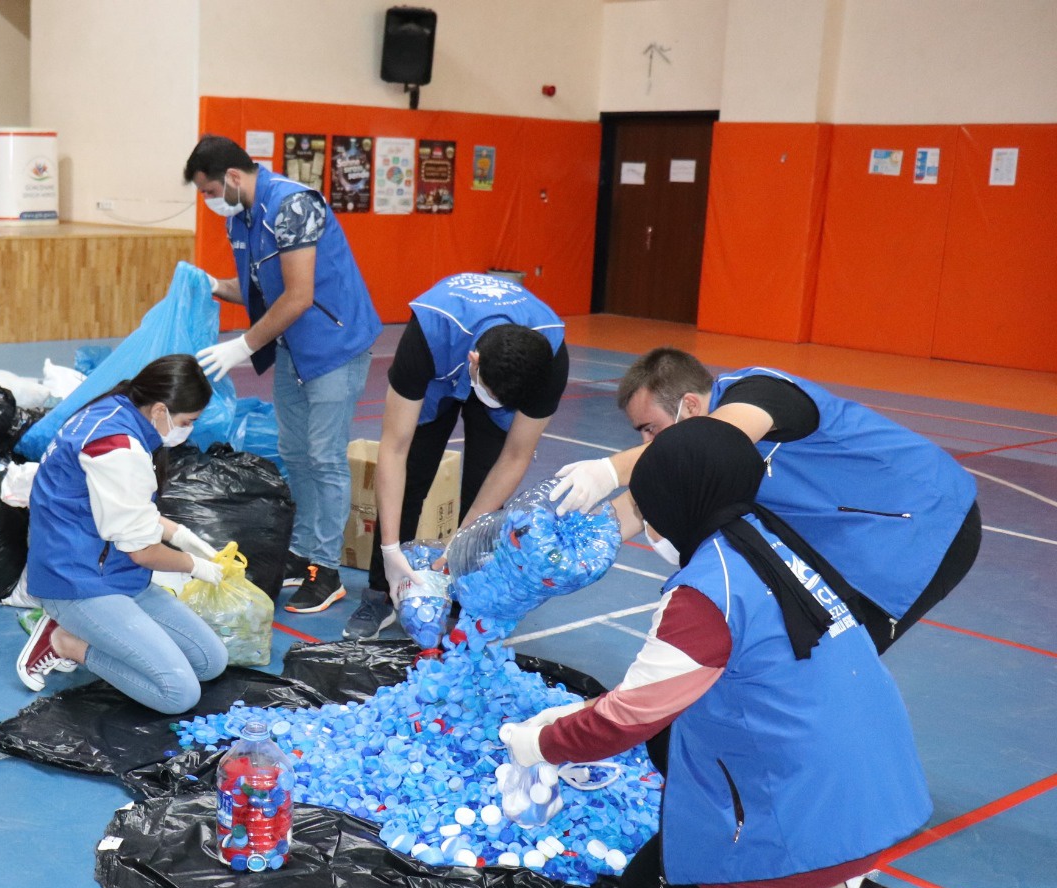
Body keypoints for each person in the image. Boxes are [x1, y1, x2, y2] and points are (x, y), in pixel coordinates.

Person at [503, 417, 930, 888]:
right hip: (874, 790)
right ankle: (823, 875)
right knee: (675, 737)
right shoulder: (772, 539)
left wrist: (539, 743)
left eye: (649, 507)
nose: (646, 524)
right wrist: (578, 715)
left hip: (816, 816)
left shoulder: (707, 594)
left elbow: (626, 718)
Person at [551, 348, 980, 653]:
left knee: (833, 656)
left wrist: (610, 469)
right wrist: (566, 546)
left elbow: (700, 445)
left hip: (927, 522)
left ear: (690, 406)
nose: (649, 442)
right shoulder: (698, 456)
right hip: (847, 530)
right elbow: (636, 504)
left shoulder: (762, 392)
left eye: (651, 429)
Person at [183, 135, 383, 615]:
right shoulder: (243, 217)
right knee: (295, 453)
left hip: (334, 345)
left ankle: (325, 570)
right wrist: (212, 285)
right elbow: (258, 289)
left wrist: (243, 345)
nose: (209, 201)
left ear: (233, 177)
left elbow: (298, 295)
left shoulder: (293, 206)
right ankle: (304, 551)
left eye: (209, 191)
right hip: (293, 347)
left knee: (325, 457)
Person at [342, 272, 570, 639]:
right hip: (441, 367)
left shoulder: (550, 360)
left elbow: (515, 456)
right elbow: (394, 448)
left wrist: (460, 543)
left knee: (485, 489)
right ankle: (381, 592)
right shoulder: (428, 332)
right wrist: (389, 549)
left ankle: (466, 595)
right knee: (413, 472)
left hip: (499, 375)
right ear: (474, 361)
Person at [18, 354, 231, 713]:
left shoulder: (118, 410)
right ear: (160, 410)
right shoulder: (118, 449)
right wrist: (194, 565)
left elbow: (122, 508)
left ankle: (90, 631)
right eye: (187, 421)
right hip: (76, 581)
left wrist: (180, 534)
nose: (188, 430)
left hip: (113, 569)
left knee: (210, 661)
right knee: (178, 694)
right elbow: (143, 552)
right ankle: (65, 641)